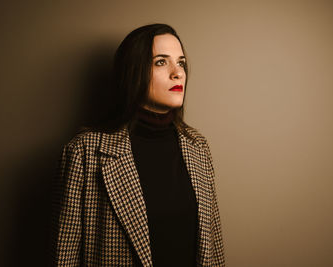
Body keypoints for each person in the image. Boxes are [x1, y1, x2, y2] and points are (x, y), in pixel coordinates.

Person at [51, 23, 225, 267]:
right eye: (161, 62)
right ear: (133, 71)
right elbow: (64, 255)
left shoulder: (198, 147)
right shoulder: (85, 151)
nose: (178, 73)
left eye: (181, 62)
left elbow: (212, 248)